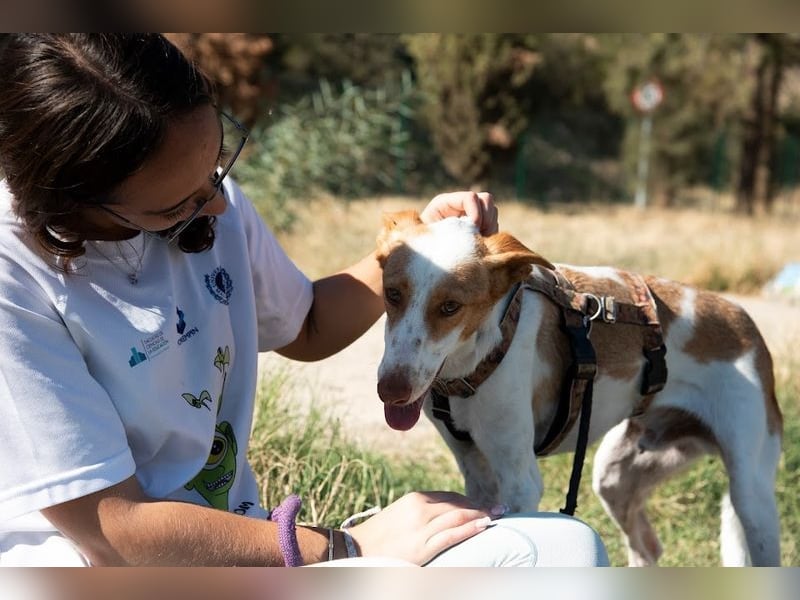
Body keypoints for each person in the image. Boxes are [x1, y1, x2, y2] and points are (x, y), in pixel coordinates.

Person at [0, 33, 608, 567]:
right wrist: (346, 548)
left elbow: (309, 323)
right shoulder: (13, 275)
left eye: (219, 164)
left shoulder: (211, 201)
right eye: (175, 207)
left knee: (565, 551)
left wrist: (416, 254)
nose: (215, 205)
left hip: (261, 553)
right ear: (68, 198)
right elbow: (115, 534)